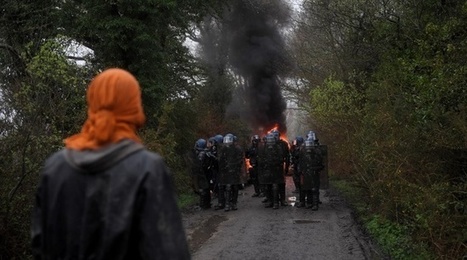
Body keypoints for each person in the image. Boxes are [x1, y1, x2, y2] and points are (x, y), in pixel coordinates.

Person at [31, 68, 191, 259]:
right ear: (133, 104)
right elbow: (168, 251)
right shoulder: (148, 169)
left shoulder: (55, 167)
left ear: (92, 100)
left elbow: (40, 246)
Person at [216, 133, 243, 211]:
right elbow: (221, 159)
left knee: (235, 187)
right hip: (226, 171)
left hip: (235, 171)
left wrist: (234, 166)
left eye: (229, 140)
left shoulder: (237, 149)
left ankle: (234, 203)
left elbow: (240, 160)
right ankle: (227, 204)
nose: (227, 142)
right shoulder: (224, 149)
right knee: (228, 186)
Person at [297, 135, 324, 210]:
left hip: (314, 173)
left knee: (314, 189)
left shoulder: (317, 152)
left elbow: (321, 164)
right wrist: (301, 170)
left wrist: (316, 169)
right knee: (306, 188)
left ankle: (315, 204)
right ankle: (309, 203)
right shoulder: (303, 152)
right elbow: (300, 162)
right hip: (305, 172)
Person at [258, 133, 283, 209]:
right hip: (267, 169)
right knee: (267, 186)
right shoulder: (263, 148)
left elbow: (281, 159)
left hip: (275, 169)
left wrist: (275, 163)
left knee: (274, 186)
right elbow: (260, 159)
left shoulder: (278, 148)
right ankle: (270, 201)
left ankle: (275, 202)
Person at [192, 138, 211, 209]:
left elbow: (199, 164)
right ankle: (206, 204)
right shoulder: (205, 152)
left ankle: (204, 205)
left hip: (202, 173)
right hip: (205, 173)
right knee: (205, 189)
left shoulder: (202, 154)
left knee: (203, 189)